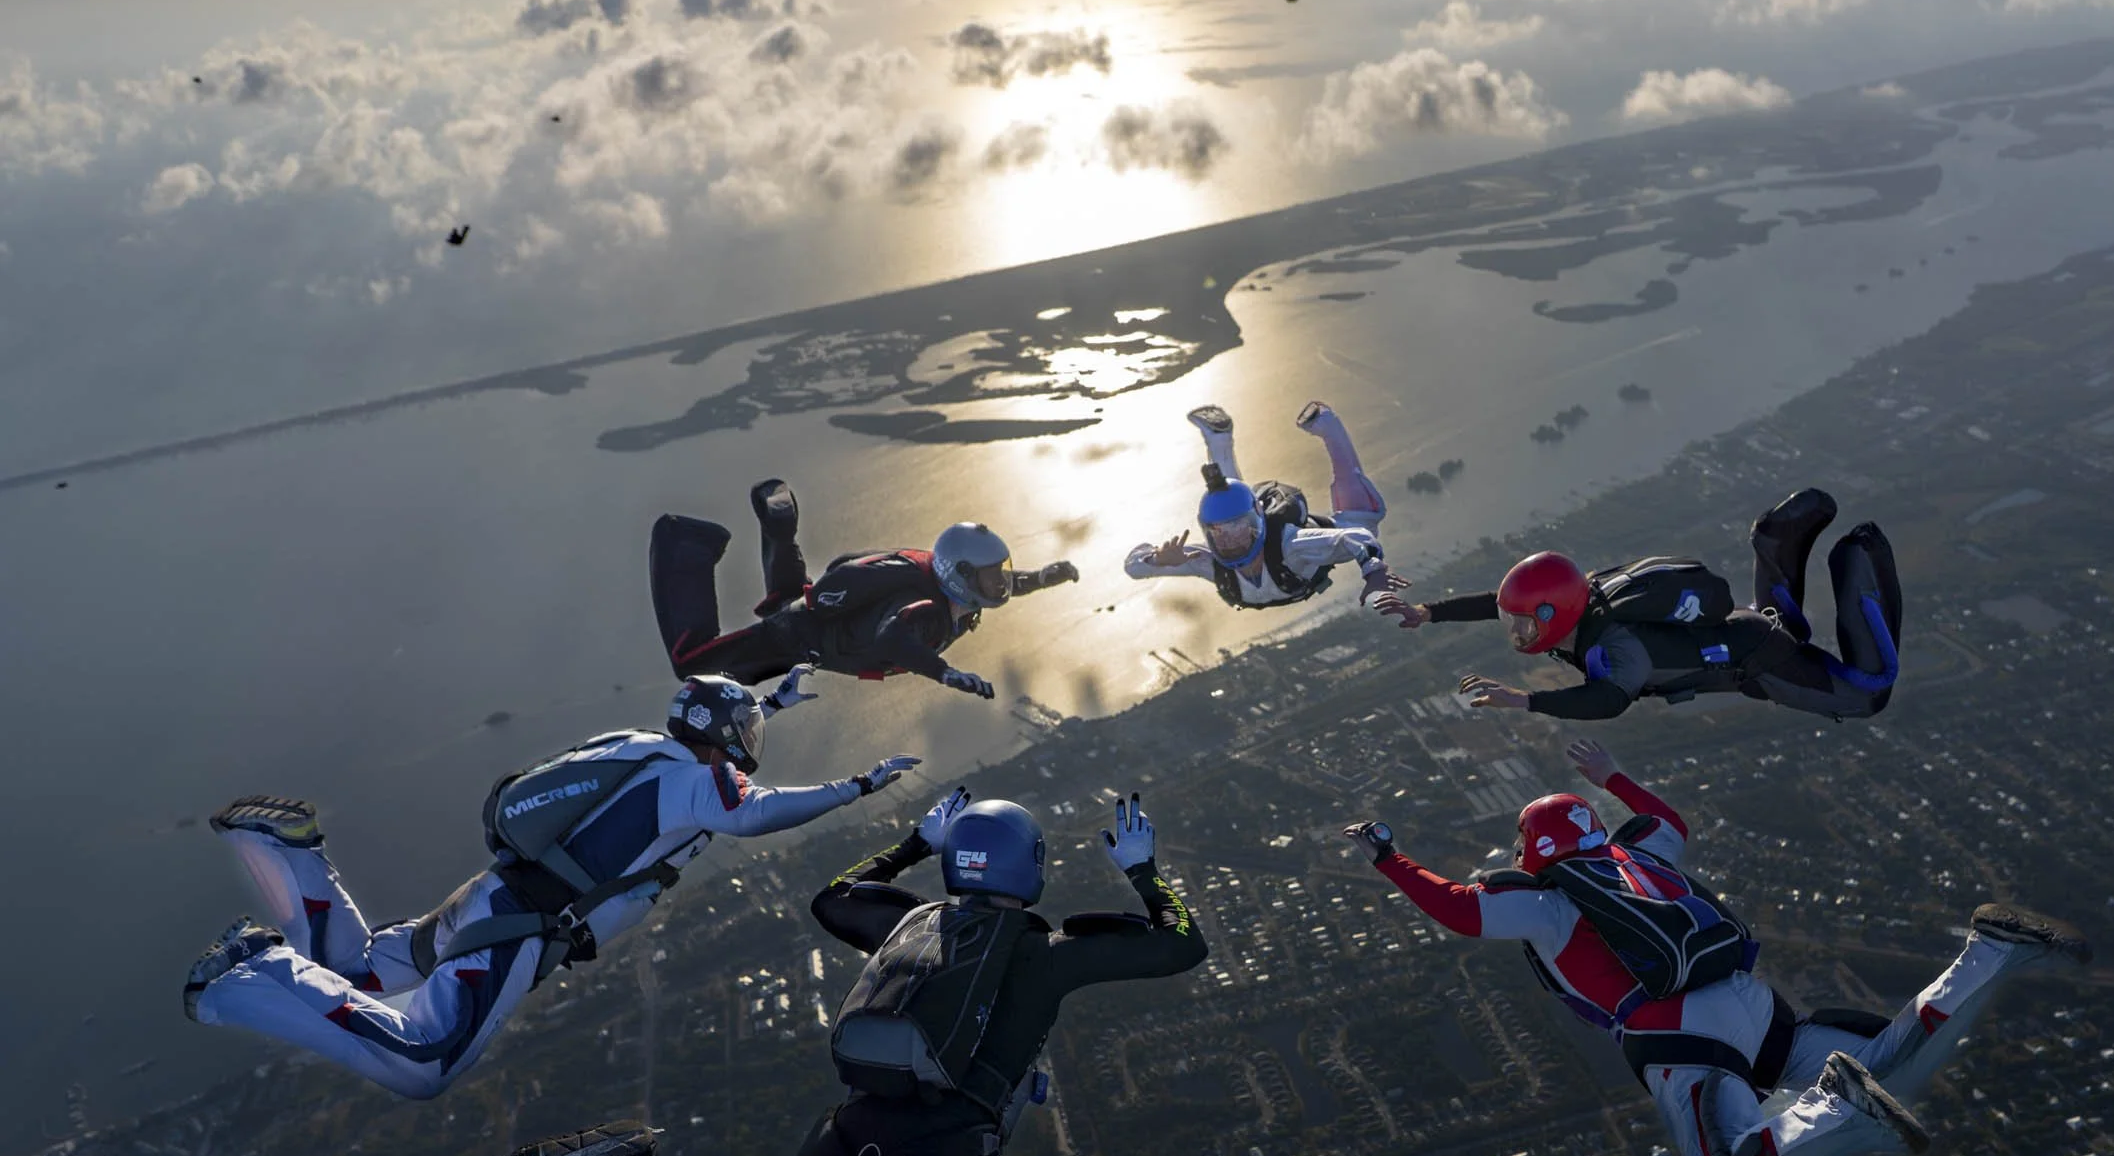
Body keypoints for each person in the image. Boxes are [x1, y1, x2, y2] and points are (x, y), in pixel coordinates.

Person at [492, 789, 1205, 1156]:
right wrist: (1142, 868)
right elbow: (1182, 944)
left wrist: (913, 844)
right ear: (1032, 867)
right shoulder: (1048, 955)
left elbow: (834, 897)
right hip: (943, 1150)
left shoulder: (912, 924)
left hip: (842, 1140)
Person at [1345, 738, 2088, 1156]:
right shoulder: (1642, 855)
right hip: (1753, 1004)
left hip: (1677, 1032)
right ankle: (1988, 951)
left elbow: (1456, 909)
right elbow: (1672, 819)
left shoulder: (1545, 902)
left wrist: (1387, 854)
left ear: (1529, 848)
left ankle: (1836, 1109)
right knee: (1887, 1061)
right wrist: (1616, 777)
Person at [184, 671, 917, 1100]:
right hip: (523, 926)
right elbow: (757, 812)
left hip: (494, 895)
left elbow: (715, 735)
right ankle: (260, 963)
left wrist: (772, 700)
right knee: (424, 1060)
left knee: (361, 969)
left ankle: (296, 855)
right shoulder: (696, 785)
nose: (750, 754)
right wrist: (855, 785)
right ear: (725, 743)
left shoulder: (646, 749)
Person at [1376, 488, 1903, 721]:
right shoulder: (1585, 596)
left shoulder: (1614, 647)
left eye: (1523, 627)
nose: (1516, 635)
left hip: (1759, 662)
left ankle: (1859, 558)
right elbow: (1500, 601)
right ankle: (1773, 546)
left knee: (1867, 696)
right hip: (1744, 630)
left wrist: (1526, 702)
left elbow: (1608, 701)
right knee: (1785, 629)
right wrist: (1429, 612)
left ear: (1551, 616)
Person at [650, 479, 1080, 700]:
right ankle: (686, 545)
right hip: (797, 637)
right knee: (692, 666)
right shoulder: (927, 611)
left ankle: (779, 526)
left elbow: (1004, 587)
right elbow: (892, 637)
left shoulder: (950, 590)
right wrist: (945, 674)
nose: (998, 583)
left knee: (790, 601)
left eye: (997, 572)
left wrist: (1043, 578)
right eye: (988, 575)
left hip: (816, 626)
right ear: (959, 574)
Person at [1124, 402, 1405, 610]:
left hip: (1310, 548)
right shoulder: (1205, 560)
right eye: (1220, 533)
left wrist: (1374, 570)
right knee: (1227, 493)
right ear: (1209, 533)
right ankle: (1218, 437)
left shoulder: (1291, 545)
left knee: (1363, 522)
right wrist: (1159, 559)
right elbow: (1134, 567)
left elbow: (1358, 537)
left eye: (1239, 528)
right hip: (1277, 550)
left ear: (1256, 523)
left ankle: (1327, 423)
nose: (1231, 539)